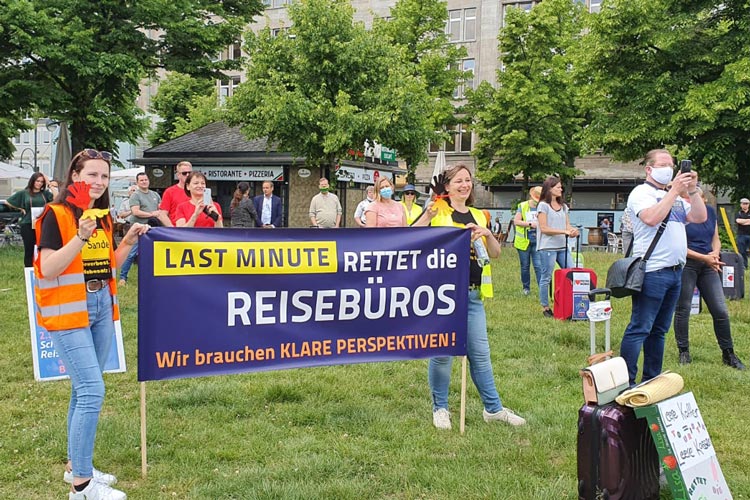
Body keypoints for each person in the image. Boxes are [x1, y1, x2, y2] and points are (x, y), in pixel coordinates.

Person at [35, 148, 149, 500]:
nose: (98, 182)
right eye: (92, 175)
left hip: (100, 305)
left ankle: (76, 465)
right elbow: (49, 268)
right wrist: (80, 236)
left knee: (83, 390)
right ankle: (81, 486)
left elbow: (106, 265)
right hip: (68, 310)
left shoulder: (100, 215)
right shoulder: (55, 214)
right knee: (92, 391)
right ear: (75, 177)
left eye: (104, 176)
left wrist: (127, 243)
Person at [414, 164, 526, 429]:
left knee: (480, 355)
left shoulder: (478, 214)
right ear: (447, 186)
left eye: (468, 180)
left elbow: (496, 253)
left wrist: (488, 234)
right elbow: (414, 238)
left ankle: (493, 408)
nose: (465, 185)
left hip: (473, 297)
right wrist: (427, 216)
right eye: (459, 181)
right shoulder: (437, 210)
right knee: (442, 353)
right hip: (444, 296)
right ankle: (440, 408)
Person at [620, 149, 706, 387]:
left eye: (672, 164)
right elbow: (650, 218)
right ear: (649, 169)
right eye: (664, 164)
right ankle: (626, 381)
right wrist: (674, 192)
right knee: (641, 327)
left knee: (659, 330)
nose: (670, 168)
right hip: (652, 271)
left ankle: (651, 379)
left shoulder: (676, 196)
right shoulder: (641, 193)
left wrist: (693, 191)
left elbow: (699, 217)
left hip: (675, 271)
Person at [673, 189, 745, 370]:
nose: (691, 200)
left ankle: (728, 353)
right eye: (687, 197)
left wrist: (714, 253)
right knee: (684, 308)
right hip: (687, 263)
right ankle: (684, 351)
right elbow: (678, 245)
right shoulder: (680, 213)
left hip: (708, 264)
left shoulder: (710, 212)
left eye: (696, 197)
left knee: (720, 310)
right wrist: (704, 257)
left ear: (703, 199)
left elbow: (716, 238)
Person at [118, 173, 171, 286]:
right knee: (131, 254)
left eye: (146, 179)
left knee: (154, 254)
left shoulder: (155, 195)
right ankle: (123, 277)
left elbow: (160, 209)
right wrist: (151, 214)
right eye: (141, 180)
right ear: (137, 183)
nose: (144, 182)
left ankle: (154, 277)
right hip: (138, 228)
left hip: (153, 229)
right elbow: (136, 211)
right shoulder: (135, 195)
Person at [536, 177, 578, 317]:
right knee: (546, 277)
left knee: (572, 273)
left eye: (561, 187)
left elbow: (567, 225)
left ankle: (570, 302)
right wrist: (563, 232)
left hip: (562, 246)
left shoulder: (564, 207)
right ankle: (545, 307)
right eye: (558, 187)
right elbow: (544, 228)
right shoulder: (543, 206)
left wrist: (572, 231)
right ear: (550, 189)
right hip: (547, 247)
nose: (561, 189)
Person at [3, 172, 53, 266]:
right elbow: (7, 202)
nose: (39, 183)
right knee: (29, 249)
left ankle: (42, 268)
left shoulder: (45, 194)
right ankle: (29, 271)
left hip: (42, 224)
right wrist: (20, 208)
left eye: (42, 182)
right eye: (37, 181)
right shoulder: (24, 193)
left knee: (43, 248)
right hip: (28, 224)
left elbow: (57, 198)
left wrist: (50, 184)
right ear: (33, 181)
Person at [513, 186, 543, 296]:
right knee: (525, 266)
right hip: (523, 241)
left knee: (538, 266)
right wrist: (530, 224)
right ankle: (526, 288)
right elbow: (516, 221)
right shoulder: (523, 206)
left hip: (538, 240)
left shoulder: (543, 206)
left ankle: (542, 289)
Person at [159, 161, 192, 225]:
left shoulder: (198, 190)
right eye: (184, 173)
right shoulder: (170, 192)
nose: (187, 175)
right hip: (177, 229)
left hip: (196, 229)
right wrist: (172, 229)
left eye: (190, 173)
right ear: (178, 175)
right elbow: (162, 214)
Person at [736, 197, 750, 269]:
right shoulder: (738, 213)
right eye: (743, 204)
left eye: (747, 204)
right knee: (742, 251)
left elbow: (741, 221)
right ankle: (744, 265)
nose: (745, 205)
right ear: (741, 204)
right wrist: (747, 221)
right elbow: (738, 221)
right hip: (741, 235)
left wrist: (743, 221)